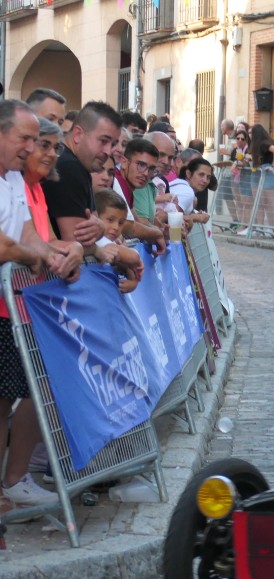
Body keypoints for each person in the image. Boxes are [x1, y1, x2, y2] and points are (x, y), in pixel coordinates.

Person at [0, 101, 85, 507]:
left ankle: (9, 484)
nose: (34, 149)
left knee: (7, 400)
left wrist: (54, 256)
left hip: (12, 306)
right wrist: (34, 256)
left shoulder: (15, 179)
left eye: (39, 140)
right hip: (7, 306)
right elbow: (6, 245)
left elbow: (30, 234)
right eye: (27, 139)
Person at [42, 100, 121, 245]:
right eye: (103, 141)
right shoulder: (69, 168)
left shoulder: (79, 167)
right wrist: (117, 253)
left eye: (113, 144)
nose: (108, 151)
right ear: (78, 134)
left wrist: (100, 228)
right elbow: (76, 243)